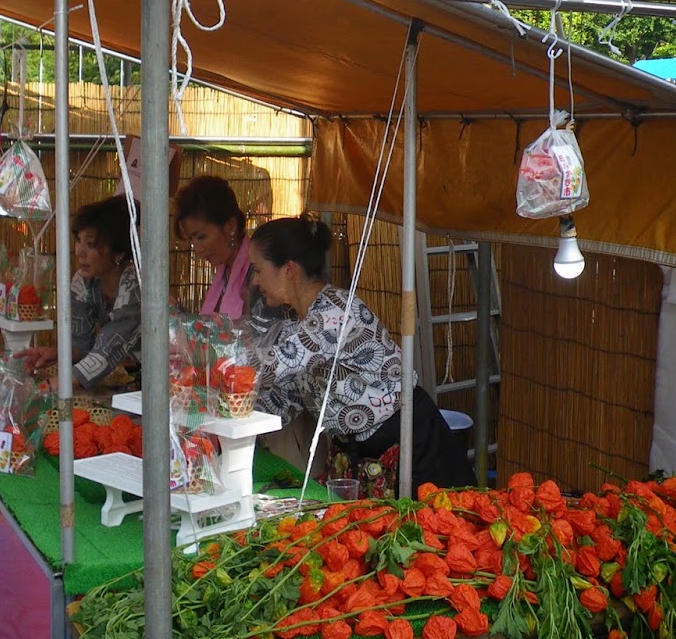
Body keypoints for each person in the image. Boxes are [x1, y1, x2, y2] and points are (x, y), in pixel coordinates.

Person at [248, 215, 475, 499]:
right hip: (362, 456)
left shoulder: (334, 312)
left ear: (288, 269)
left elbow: (275, 365)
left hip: (411, 447)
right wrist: (237, 410)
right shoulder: (298, 324)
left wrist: (218, 365)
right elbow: (287, 400)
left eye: (258, 270)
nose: (255, 281)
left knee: (436, 529)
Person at [24, 196, 140, 388]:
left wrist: (53, 385)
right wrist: (56, 354)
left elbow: (108, 349)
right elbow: (82, 343)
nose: (80, 252)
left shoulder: (135, 287)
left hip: (174, 373)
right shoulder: (84, 283)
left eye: (91, 244)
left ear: (118, 252)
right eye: (78, 240)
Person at [175, 174, 255, 320]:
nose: (197, 248)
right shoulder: (225, 271)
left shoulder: (258, 274)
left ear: (230, 226)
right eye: (192, 239)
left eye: (201, 237)